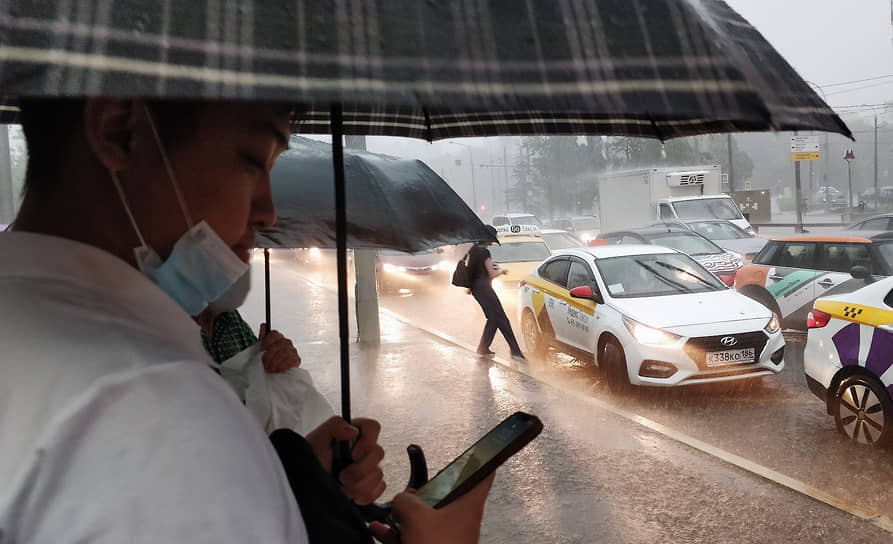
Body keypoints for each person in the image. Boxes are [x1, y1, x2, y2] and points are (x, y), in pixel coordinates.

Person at [0, 98, 493, 543]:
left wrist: (294, 469)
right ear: (119, 128)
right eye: (253, 161)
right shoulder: (151, 404)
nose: (268, 211)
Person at [467, 226, 527, 362]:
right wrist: (502, 271)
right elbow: (492, 273)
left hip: (477, 289)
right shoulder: (484, 253)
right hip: (484, 288)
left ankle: (483, 349)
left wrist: (471, 288)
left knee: (493, 319)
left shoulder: (473, 250)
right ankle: (516, 352)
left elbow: (473, 271)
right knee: (501, 319)